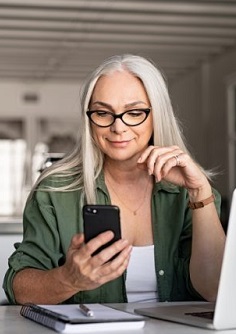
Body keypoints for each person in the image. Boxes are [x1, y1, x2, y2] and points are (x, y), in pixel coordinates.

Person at [3, 54, 225, 305]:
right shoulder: (55, 191)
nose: (118, 127)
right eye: (103, 113)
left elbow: (215, 290)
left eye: (134, 112)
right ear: (89, 119)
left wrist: (200, 193)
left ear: (157, 115)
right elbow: (19, 288)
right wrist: (69, 279)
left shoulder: (192, 193)